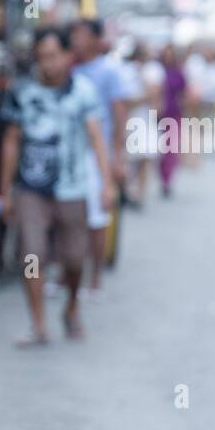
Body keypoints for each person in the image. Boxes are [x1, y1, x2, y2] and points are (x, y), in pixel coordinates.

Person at [0, 27, 114, 346]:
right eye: (41, 58)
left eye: (53, 56)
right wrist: (5, 190)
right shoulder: (22, 92)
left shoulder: (84, 91)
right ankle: (38, 324)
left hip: (72, 187)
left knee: (75, 259)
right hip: (31, 189)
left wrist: (106, 184)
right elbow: (11, 141)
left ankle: (72, 307)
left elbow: (96, 137)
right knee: (32, 255)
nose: (47, 64)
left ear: (67, 56)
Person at [69, 17, 131, 294]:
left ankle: (94, 277)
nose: (76, 40)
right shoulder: (69, 69)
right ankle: (68, 276)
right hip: (71, 154)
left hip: (98, 154)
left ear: (95, 38)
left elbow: (119, 116)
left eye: (80, 34)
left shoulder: (109, 71)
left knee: (96, 219)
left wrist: (118, 157)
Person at [122, 41, 163, 206]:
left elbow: (154, 96)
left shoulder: (153, 71)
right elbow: (124, 100)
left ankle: (140, 193)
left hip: (146, 121)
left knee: (145, 158)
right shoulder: (125, 71)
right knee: (130, 159)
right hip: (130, 121)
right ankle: (128, 191)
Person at [157, 45, 187, 196]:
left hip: (174, 113)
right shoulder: (157, 71)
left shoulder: (178, 73)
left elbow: (184, 93)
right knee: (158, 148)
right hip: (157, 115)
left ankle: (167, 180)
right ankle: (161, 174)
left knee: (171, 148)